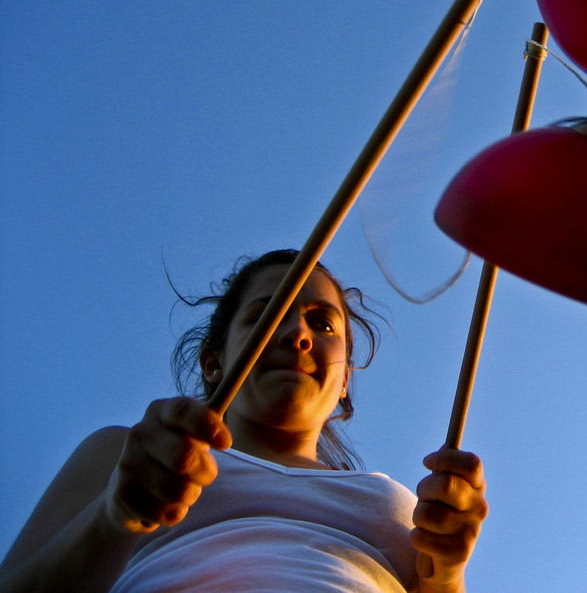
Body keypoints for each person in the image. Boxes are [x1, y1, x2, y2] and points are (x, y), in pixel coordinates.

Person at [0, 250, 488, 592]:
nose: (297, 333)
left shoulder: (415, 512)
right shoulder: (126, 456)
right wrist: (116, 515)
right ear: (213, 362)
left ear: (344, 384)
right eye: (266, 315)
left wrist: (446, 577)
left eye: (323, 324)